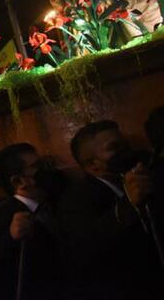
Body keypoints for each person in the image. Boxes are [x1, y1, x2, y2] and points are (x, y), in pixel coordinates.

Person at [57, 120, 160, 299]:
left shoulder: (137, 175)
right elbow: (88, 249)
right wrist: (129, 204)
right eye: (114, 148)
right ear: (93, 165)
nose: (126, 152)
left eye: (125, 145)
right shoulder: (75, 200)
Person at [0, 143, 63, 300]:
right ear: (18, 181)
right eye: (38, 166)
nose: (47, 170)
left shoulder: (58, 201)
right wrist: (10, 237)